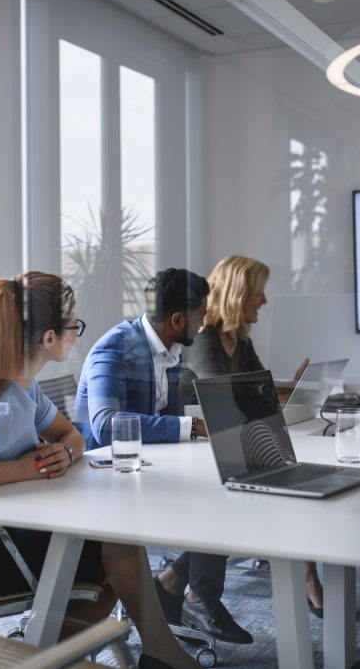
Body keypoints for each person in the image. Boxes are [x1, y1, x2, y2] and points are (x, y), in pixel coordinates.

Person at [0, 271, 197, 669]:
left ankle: (136, 652)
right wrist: (26, 468)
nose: (76, 335)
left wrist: (64, 454)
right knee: (116, 545)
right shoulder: (7, 408)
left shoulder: (19, 385)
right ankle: (147, 653)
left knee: (115, 550)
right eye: (74, 327)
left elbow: (72, 434)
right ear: (49, 338)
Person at [73, 269, 257, 645]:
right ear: (178, 319)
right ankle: (198, 597)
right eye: (201, 314)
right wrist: (192, 429)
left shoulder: (169, 350)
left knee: (230, 477)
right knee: (217, 496)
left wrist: (204, 436)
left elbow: (170, 420)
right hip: (104, 475)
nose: (204, 322)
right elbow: (106, 425)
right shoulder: (115, 349)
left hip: (145, 464)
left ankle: (175, 586)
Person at [172, 255, 324, 618]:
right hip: (198, 448)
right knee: (285, 479)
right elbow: (225, 398)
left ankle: (170, 581)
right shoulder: (205, 339)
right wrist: (277, 393)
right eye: (259, 293)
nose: (265, 301)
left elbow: (261, 390)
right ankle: (201, 595)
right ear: (239, 294)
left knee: (291, 470)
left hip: (231, 440)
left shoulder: (237, 340)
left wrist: (298, 386)